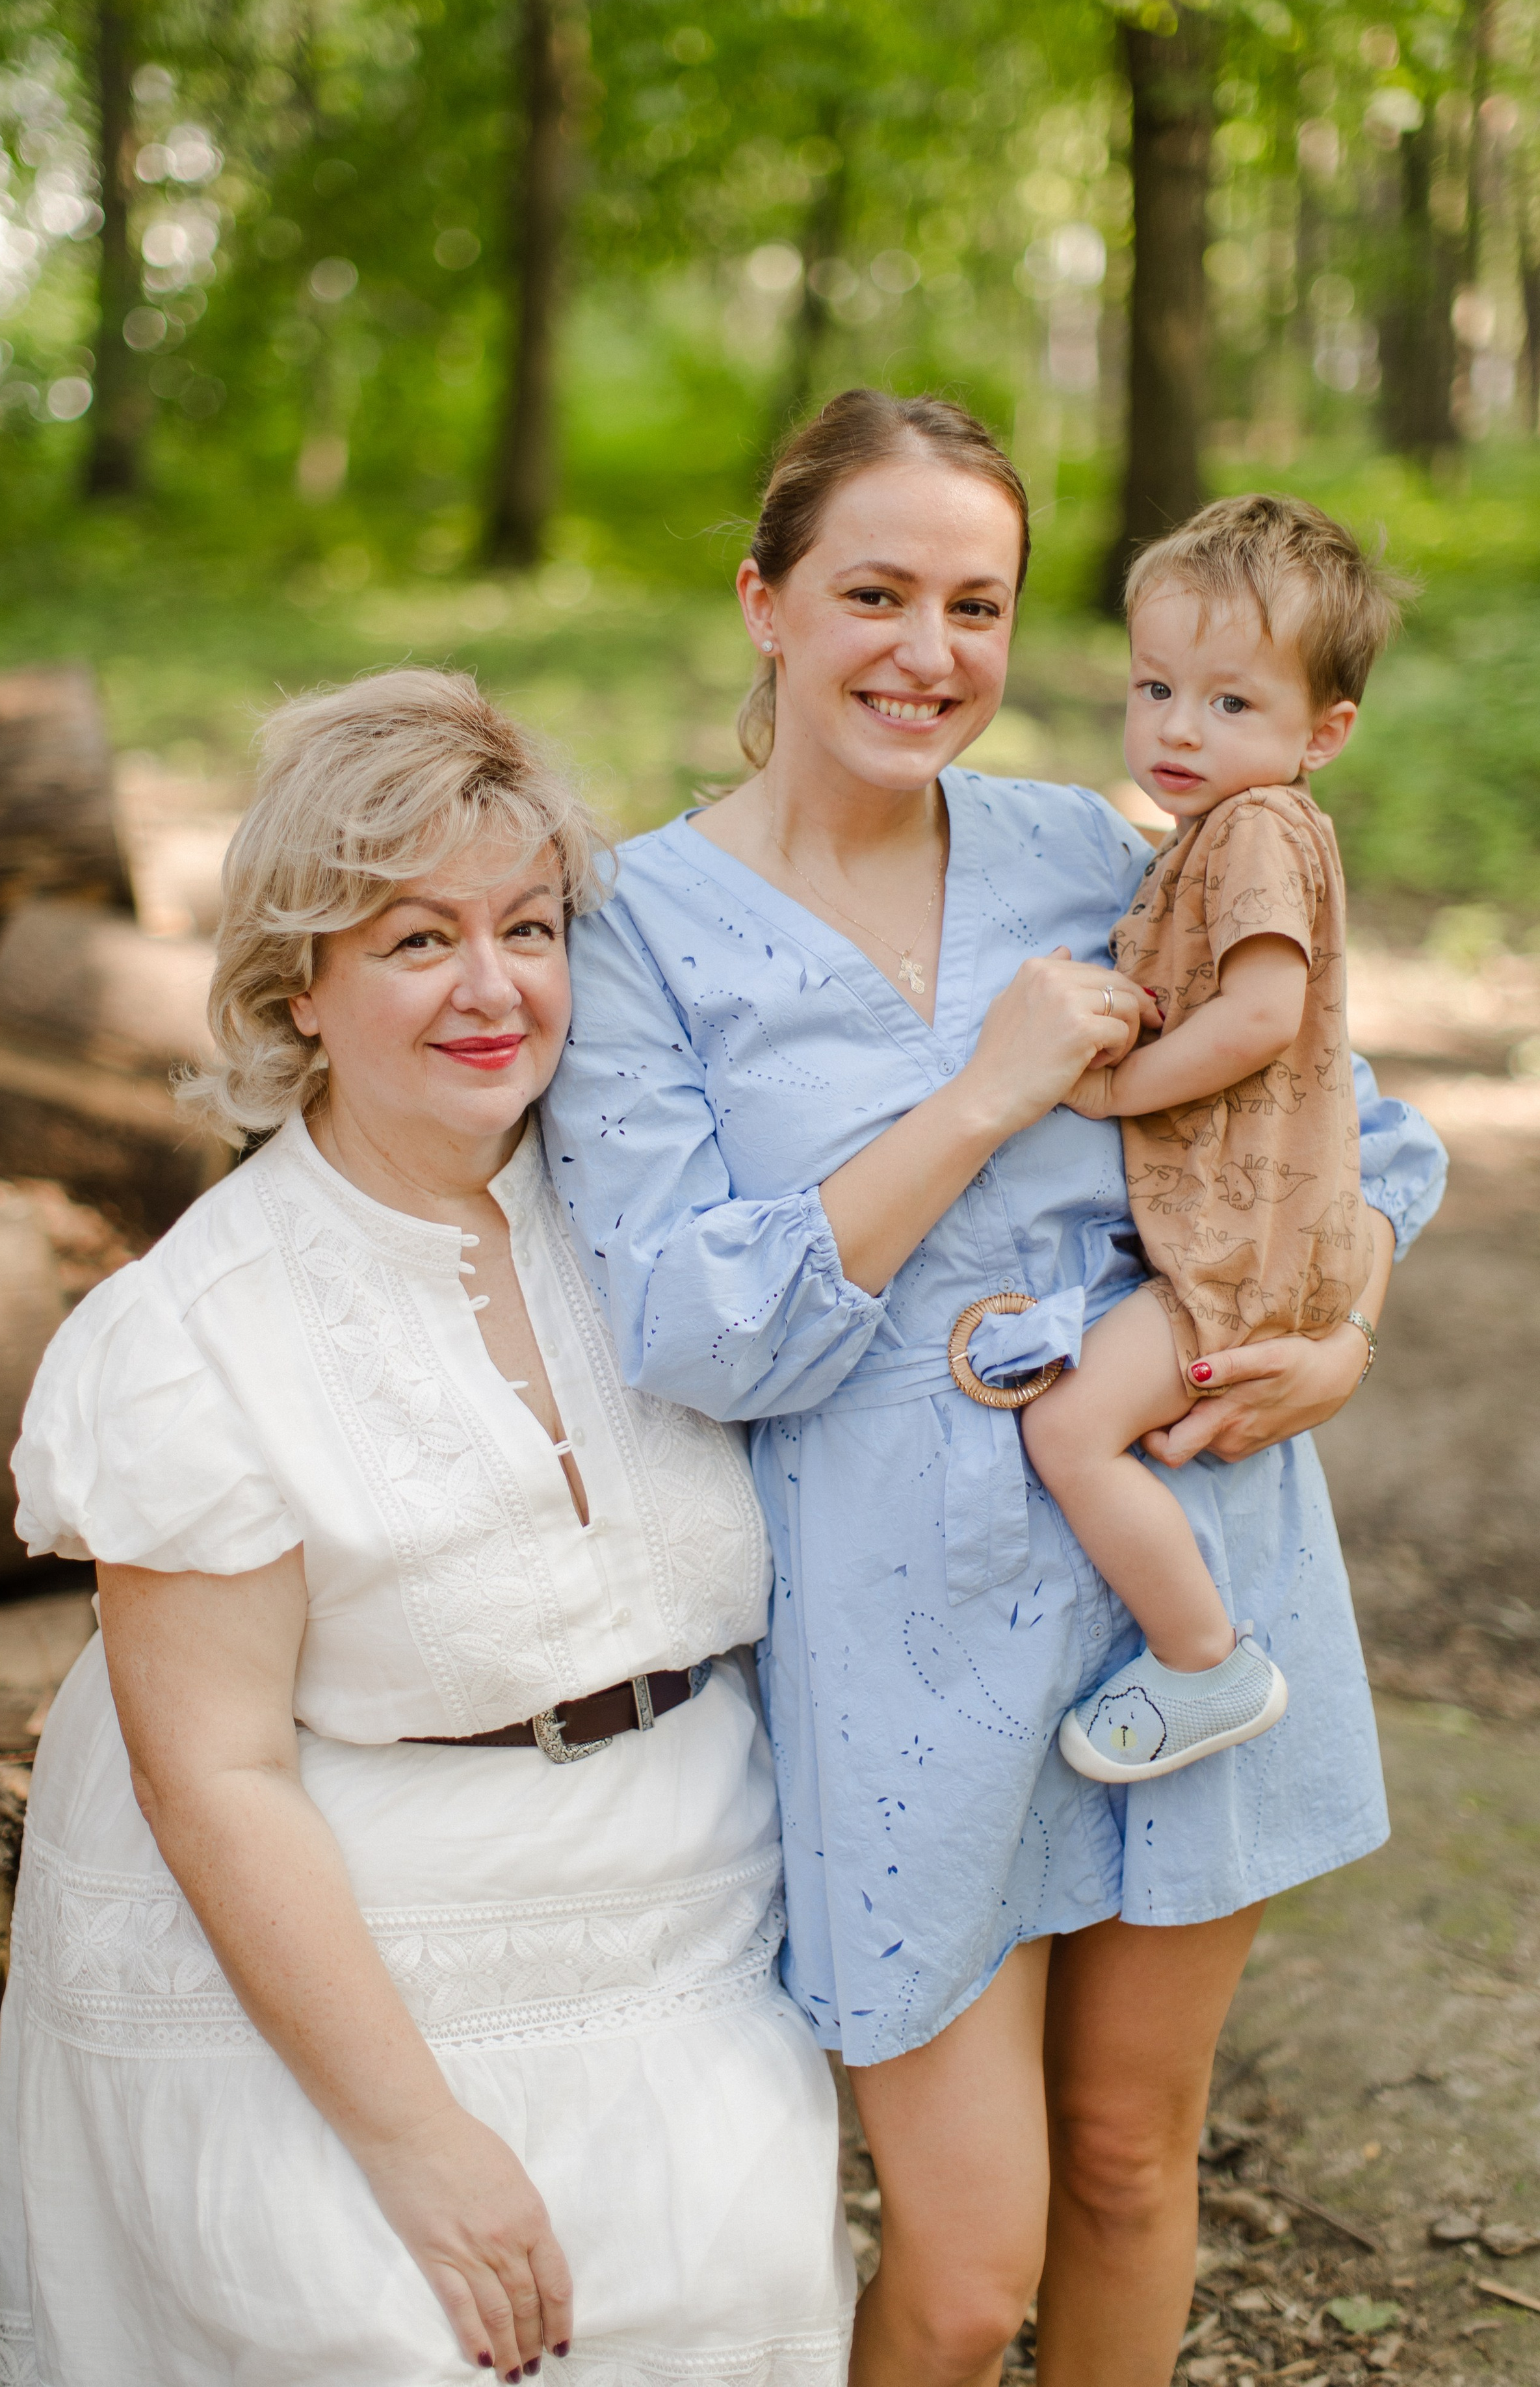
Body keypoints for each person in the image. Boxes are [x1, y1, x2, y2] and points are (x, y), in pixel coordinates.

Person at [538, 389, 1446, 2387]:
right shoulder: (643, 931)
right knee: (959, 2277)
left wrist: (1344, 1329)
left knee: (1131, 2165)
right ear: (767, 602)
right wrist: (981, 1099)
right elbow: (698, 1329)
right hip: (897, 1625)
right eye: (875, 591)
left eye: (976, 603)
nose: (929, 653)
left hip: (1183, 1582)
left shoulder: (1100, 852)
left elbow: (1357, 1131)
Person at [0, 672, 854, 2387]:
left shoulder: (667, 1226)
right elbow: (210, 1775)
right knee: (381, 2337)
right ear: (296, 986)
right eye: (416, 942)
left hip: (690, 1948)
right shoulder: (195, 1335)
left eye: (528, 928)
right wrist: (421, 2152)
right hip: (353, 2003)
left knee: (741, 2315)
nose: (493, 988)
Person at [1019, 494, 1404, 1784]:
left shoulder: (1246, 829)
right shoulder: (1231, 829)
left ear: (1324, 732)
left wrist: (1112, 1091)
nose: (1176, 728)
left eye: (1230, 703)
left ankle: (1202, 1660)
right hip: (1248, 1237)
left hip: (1239, 1245)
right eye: (1154, 687)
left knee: (1066, 1433)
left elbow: (1259, 1013)